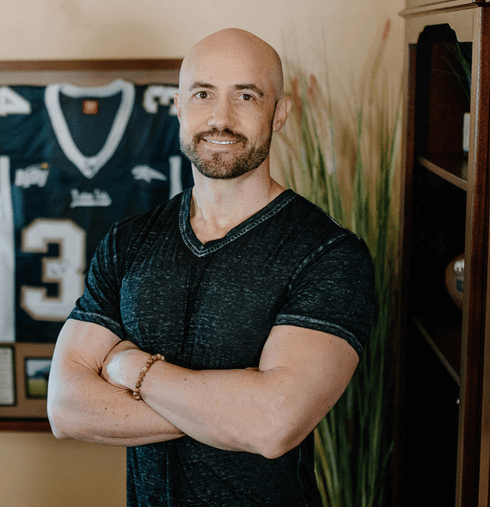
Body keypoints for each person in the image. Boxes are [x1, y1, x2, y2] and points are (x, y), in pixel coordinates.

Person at [46, 28, 376, 506]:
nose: (220, 118)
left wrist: (127, 365)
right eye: (203, 94)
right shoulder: (129, 242)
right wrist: (230, 411)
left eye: (245, 95)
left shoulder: (328, 254)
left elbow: (272, 424)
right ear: (179, 107)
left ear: (278, 113)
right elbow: (66, 408)